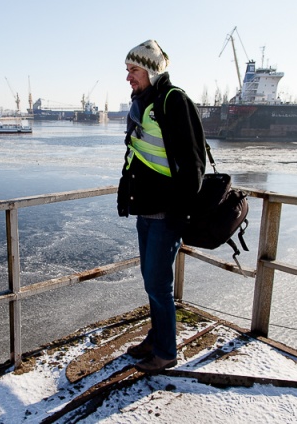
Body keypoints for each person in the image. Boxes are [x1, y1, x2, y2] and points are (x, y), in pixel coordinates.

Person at [117, 39, 207, 372]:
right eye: (127, 71)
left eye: (134, 70)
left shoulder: (174, 101)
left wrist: (180, 211)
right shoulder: (144, 102)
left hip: (168, 214)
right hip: (147, 211)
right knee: (150, 280)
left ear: (152, 70)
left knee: (158, 283)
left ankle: (166, 352)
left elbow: (194, 163)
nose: (129, 77)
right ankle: (156, 338)